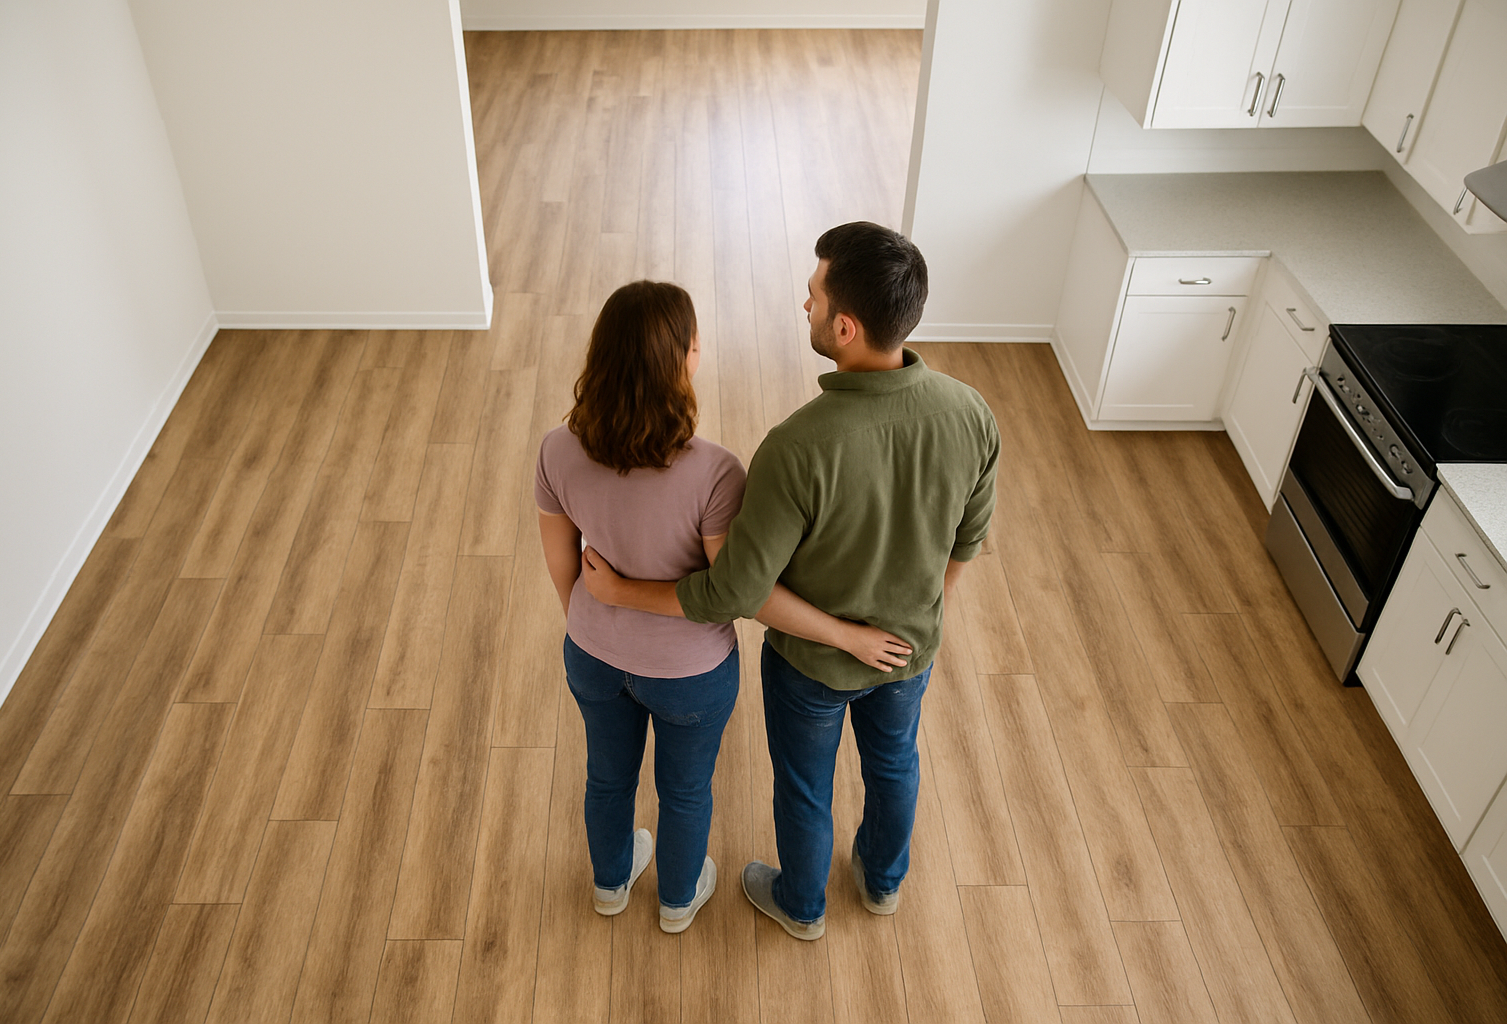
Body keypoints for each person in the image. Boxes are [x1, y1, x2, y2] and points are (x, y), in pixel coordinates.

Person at [581, 223, 1000, 940]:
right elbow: (967, 540)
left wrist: (619, 593)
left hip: (809, 666)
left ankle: (802, 905)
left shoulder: (795, 448)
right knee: (894, 762)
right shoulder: (971, 414)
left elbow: (733, 593)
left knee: (806, 787)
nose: (800, 305)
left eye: (811, 295)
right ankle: (882, 883)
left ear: (844, 324)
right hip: (908, 653)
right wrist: (922, 613)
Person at [536, 279, 914, 935]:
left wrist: (600, 620)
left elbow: (563, 568)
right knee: (683, 790)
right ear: (685, 357)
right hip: (690, 673)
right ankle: (678, 900)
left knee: (606, 776)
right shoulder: (713, 472)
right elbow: (733, 587)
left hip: (592, 653)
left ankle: (610, 883)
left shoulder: (556, 449)